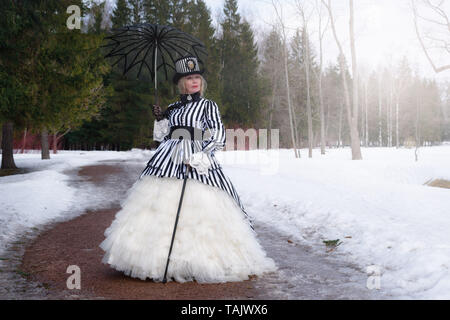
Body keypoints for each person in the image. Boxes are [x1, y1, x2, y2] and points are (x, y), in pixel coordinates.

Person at [99, 56, 277, 283]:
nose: (194, 81)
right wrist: (160, 118)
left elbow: (218, 135)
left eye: (197, 77)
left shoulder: (208, 105)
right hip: (169, 158)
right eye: (189, 77)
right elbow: (161, 137)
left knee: (203, 207)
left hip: (197, 157)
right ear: (181, 82)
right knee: (157, 206)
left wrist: (202, 155)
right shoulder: (173, 107)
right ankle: (157, 260)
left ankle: (201, 261)